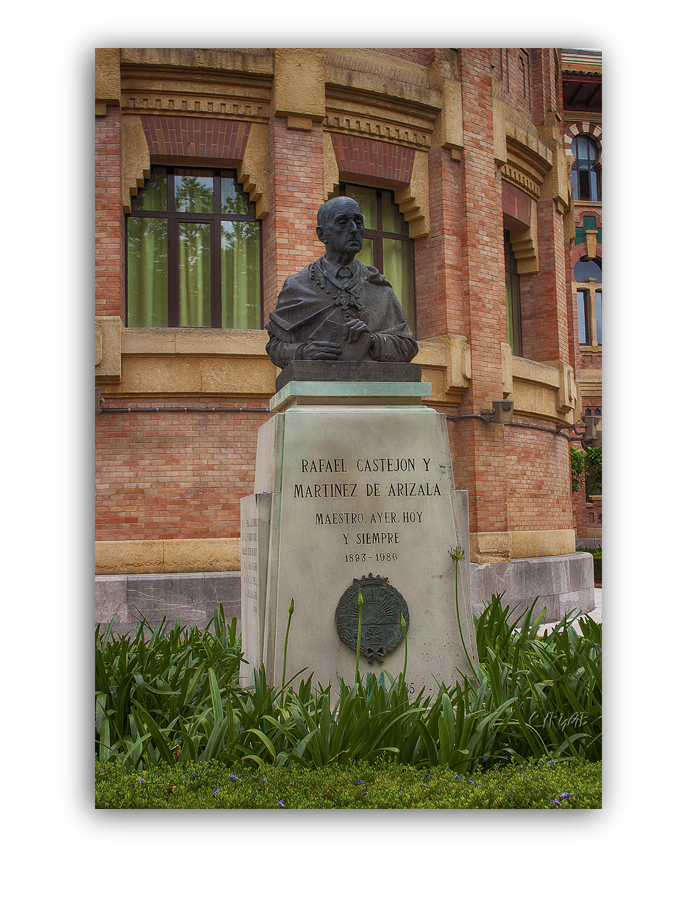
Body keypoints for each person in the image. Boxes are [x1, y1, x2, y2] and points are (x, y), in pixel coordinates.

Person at [265, 196, 418, 368]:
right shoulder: (298, 285)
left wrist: (373, 341)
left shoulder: (378, 286)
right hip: (317, 388)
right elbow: (275, 346)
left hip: (372, 386)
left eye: (358, 223)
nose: (353, 229)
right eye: (342, 223)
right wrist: (302, 352)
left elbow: (408, 346)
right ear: (322, 234)